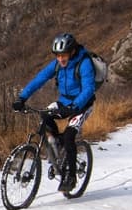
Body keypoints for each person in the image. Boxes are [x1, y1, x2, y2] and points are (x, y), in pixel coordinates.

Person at [12, 32, 96, 192]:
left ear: (72, 52)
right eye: (58, 55)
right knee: (45, 117)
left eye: (63, 55)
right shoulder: (57, 65)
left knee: (70, 136)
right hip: (64, 102)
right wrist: (22, 98)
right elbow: (39, 79)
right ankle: (57, 146)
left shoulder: (84, 63)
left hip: (83, 104)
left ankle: (71, 177)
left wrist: (76, 105)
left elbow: (89, 89)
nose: (61, 59)